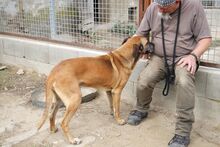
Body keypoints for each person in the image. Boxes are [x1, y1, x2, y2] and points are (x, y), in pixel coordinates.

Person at [127, 0, 212, 147]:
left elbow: (206, 39)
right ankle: (140, 109)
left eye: (164, 7)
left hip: (184, 58)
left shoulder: (194, 6)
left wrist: (194, 55)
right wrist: (143, 46)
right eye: (158, 6)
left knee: (185, 82)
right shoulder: (154, 7)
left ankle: (182, 133)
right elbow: (140, 34)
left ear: (177, 2)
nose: (160, 9)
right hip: (159, 57)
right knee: (144, 80)